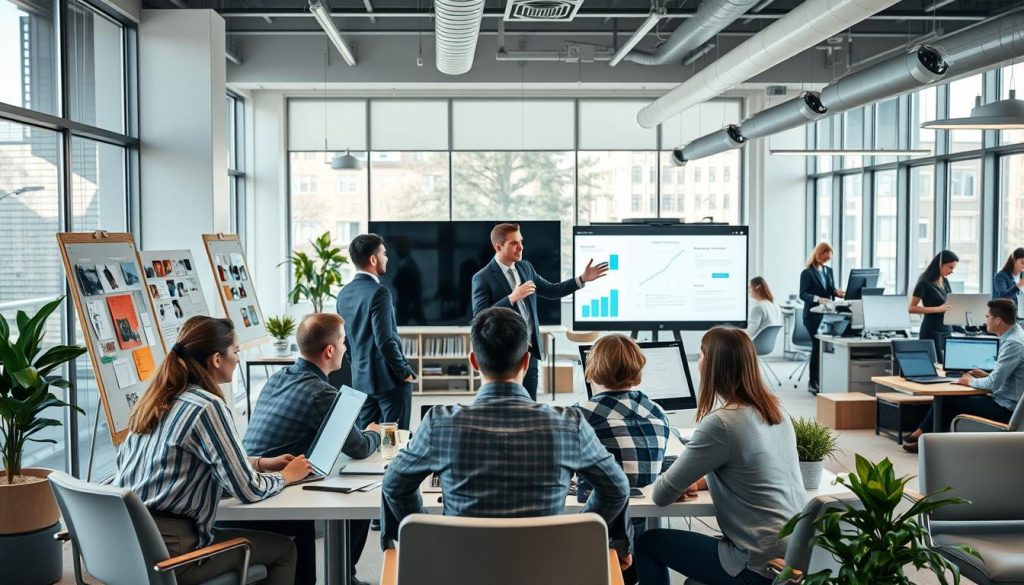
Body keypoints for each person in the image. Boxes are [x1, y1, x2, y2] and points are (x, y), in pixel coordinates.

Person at [381, 307, 632, 566]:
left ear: (473, 361)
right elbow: (616, 489)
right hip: (546, 572)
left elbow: (393, 486)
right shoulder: (570, 424)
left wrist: (428, 536)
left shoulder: (439, 423)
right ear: (526, 361)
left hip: (460, 572)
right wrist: (579, 534)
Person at [114, 316, 313, 585]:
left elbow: (182, 462)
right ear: (217, 360)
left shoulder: (156, 399)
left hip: (125, 547)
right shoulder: (206, 406)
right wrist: (288, 476)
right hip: (172, 554)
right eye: (236, 352)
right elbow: (249, 491)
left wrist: (261, 463)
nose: (239, 359)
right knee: (285, 549)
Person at [635, 327, 804, 585]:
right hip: (794, 554)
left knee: (648, 542)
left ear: (713, 365)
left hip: (758, 565)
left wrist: (676, 479)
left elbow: (661, 494)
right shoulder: (776, 410)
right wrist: (699, 481)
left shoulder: (723, 423)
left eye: (701, 355)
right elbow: (749, 469)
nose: (698, 362)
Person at [241, 313, 381, 585]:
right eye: (343, 342)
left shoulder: (278, 377)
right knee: (359, 497)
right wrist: (374, 433)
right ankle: (344, 577)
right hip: (271, 498)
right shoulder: (321, 393)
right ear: (330, 350)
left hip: (249, 484)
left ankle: (345, 576)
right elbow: (360, 447)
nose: (346, 348)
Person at [471, 222, 609, 400]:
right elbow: (480, 317)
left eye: (521, 241)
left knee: (530, 403)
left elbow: (552, 290)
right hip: (501, 354)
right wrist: (513, 297)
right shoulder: (482, 277)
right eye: (514, 243)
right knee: (503, 404)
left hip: (529, 350)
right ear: (498, 246)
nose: (521, 247)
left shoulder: (525, 267)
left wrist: (582, 279)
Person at [575, 334, 671, 584]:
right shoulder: (658, 411)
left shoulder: (580, 413)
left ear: (593, 369)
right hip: (641, 521)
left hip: (603, 528)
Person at [903, 299, 1024, 451]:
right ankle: (924, 437)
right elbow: (1006, 375)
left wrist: (967, 381)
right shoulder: (1015, 336)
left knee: (947, 400)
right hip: (1006, 401)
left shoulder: (1013, 343)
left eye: (987, 317)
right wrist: (986, 374)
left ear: (998, 320)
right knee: (950, 400)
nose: (985, 320)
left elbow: (993, 384)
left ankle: (925, 440)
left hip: (1006, 409)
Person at [336, 233, 417, 430]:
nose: (387, 258)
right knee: (396, 441)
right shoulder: (380, 292)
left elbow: (345, 341)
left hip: (360, 380)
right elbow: (385, 339)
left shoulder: (343, 294)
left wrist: (356, 368)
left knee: (368, 441)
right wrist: (404, 371)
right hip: (389, 381)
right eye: (384, 253)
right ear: (373, 259)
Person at [798, 242, 845, 393]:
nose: (828, 259)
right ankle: (813, 382)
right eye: (826, 255)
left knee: (825, 346)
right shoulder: (807, 273)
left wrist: (838, 293)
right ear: (819, 253)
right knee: (817, 346)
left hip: (827, 315)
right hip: (812, 316)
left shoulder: (828, 271)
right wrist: (817, 298)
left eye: (829, 257)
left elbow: (830, 290)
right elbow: (803, 294)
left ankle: (824, 380)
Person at [909, 250, 959, 361]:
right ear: (940, 264)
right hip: (932, 330)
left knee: (950, 363)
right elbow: (912, 308)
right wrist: (937, 309)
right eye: (950, 267)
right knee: (937, 365)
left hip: (946, 329)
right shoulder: (924, 282)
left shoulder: (945, 281)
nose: (952, 271)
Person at [746, 276, 783, 340]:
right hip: (769, 345)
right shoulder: (775, 305)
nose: (748, 291)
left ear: (757, 288)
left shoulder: (758, 307)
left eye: (750, 288)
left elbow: (750, 332)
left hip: (756, 344)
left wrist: (735, 331)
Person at [993, 247, 1024, 316]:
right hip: (1006, 317)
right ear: (1014, 260)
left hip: (1021, 317)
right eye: (1023, 262)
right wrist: (1019, 285)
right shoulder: (1001, 276)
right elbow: (1003, 295)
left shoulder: (1022, 275)